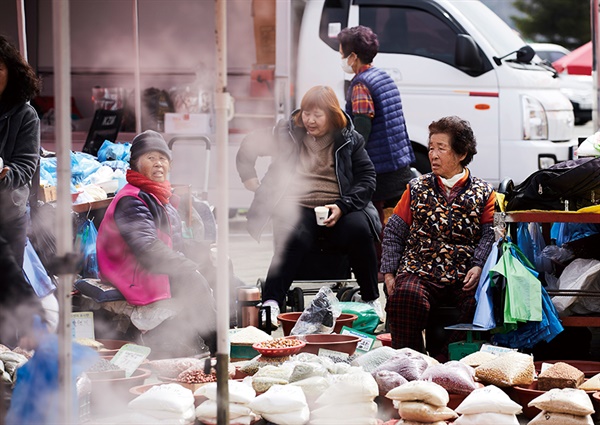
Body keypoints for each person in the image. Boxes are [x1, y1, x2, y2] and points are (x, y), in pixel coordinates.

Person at [236, 85, 382, 327]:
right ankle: (271, 301)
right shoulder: (287, 133)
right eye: (306, 113)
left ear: (332, 115)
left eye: (317, 114)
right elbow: (249, 145)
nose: (310, 120)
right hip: (298, 205)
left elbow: (367, 178)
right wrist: (249, 179)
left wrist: (343, 206)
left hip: (338, 206)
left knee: (359, 230)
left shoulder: (349, 138)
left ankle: (370, 300)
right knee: (293, 235)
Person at [381, 116, 496, 357]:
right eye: (431, 147)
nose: (432, 154)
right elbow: (394, 230)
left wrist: (477, 266)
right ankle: (410, 360)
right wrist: (390, 272)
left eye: (441, 148)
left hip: (462, 274)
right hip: (420, 270)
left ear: (461, 153)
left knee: (477, 304)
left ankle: (446, 364)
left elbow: (491, 235)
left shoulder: (484, 193)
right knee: (405, 296)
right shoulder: (416, 188)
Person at [96, 130, 216, 356]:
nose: (158, 164)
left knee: (218, 269)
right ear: (135, 164)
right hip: (133, 272)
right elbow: (147, 248)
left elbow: (174, 241)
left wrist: (204, 254)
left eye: (162, 158)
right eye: (150, 158)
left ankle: (214, 341)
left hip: (151, 266)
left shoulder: (157, 195)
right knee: (194, 281)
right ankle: (217, 347)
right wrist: (189, 267)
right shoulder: (132, 199)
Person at [337, 25, 415, 267]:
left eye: (342, 54)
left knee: (375, 220)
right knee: (394, 220)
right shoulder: (383, 76)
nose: (341, 59)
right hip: (398, 161)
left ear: (353, 56)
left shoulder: (360, 85)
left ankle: (382, 268)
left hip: (379, 167)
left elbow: (361, 128)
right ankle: (394, 263)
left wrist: (348, 160)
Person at [0, 34, 42, 267]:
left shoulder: (25, 115)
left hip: (8, 215)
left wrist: (5, 175)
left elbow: (25, 167)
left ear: (12, 73)